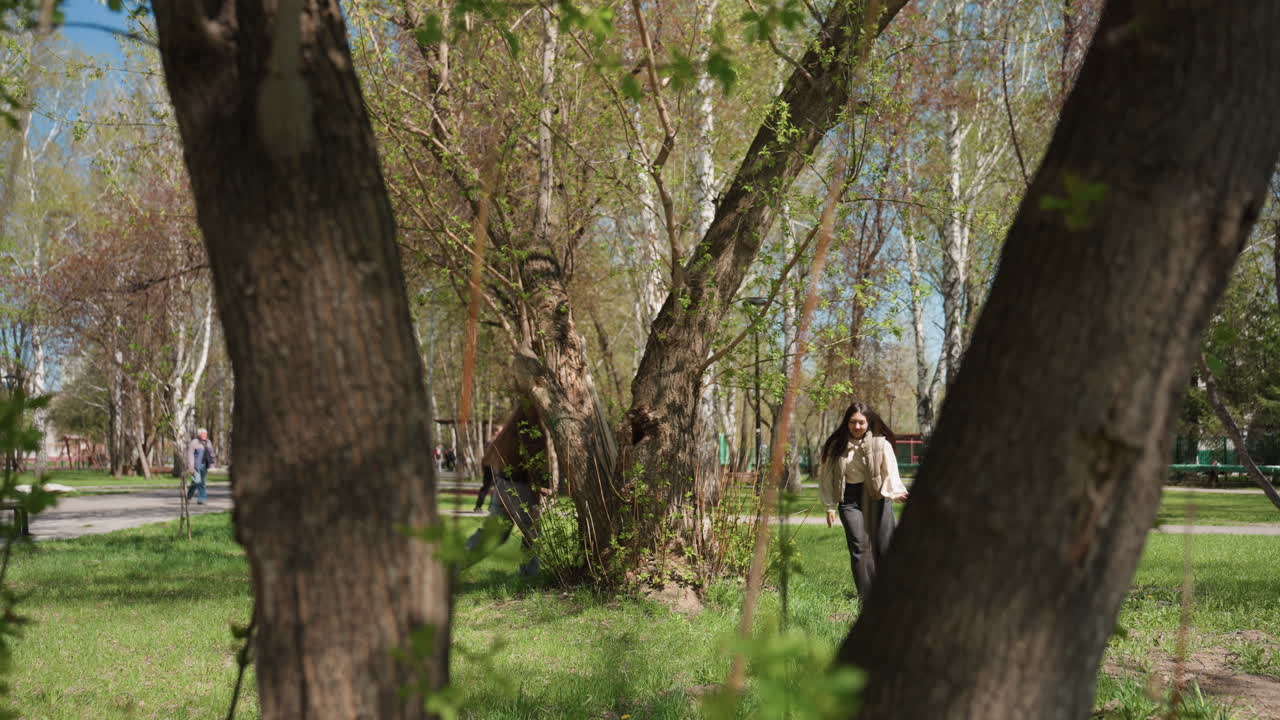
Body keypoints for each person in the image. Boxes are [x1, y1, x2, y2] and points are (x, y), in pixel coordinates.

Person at [818, 402, 908, 599]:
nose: (856, 427)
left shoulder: (881, 444)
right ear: (846, 423)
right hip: (849, 500)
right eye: (852, 423)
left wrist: (896, 492)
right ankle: (866, 597)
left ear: (868, 423)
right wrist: (830, 506)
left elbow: (890, 472)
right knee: (860, 547)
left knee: (884, 546)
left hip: (877, 497)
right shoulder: (836, 446)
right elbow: (826, 477)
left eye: (861, 423)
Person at [463, 403, 549, 577]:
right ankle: (528, 575)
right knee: (532, 533)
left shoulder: (511, 430)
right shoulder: (531, 431)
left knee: (494, 535)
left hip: (504, 485)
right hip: (520, 486)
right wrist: (543, 488)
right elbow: (536, 463)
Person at [186, 428, 215, 506]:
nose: (205, 435)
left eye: (206, 434)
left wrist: (212, 463)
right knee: (195, 482)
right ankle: (188, 497)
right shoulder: (194, 442)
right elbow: (190, 455)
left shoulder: (208, 442)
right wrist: (191, 467)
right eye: (203, 434)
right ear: (199, 434)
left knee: (202, 482)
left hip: (205, 465)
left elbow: (211, 453)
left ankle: (201, 499)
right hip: (196, 466)